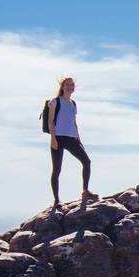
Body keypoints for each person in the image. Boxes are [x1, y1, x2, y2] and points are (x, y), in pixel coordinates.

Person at [46, 76, 96, 209]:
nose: (70, 87)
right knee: (57, 170)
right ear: (62, 87)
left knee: (87, 161)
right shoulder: (55, 102)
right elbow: (50, 122)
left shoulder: (73, 104)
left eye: (72, 85)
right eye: (67, 85)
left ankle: (85, 191)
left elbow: (73, 121)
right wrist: (53, 138)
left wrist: (78, 137)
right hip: (58, 138)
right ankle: (56, 200)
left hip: (71, 138)